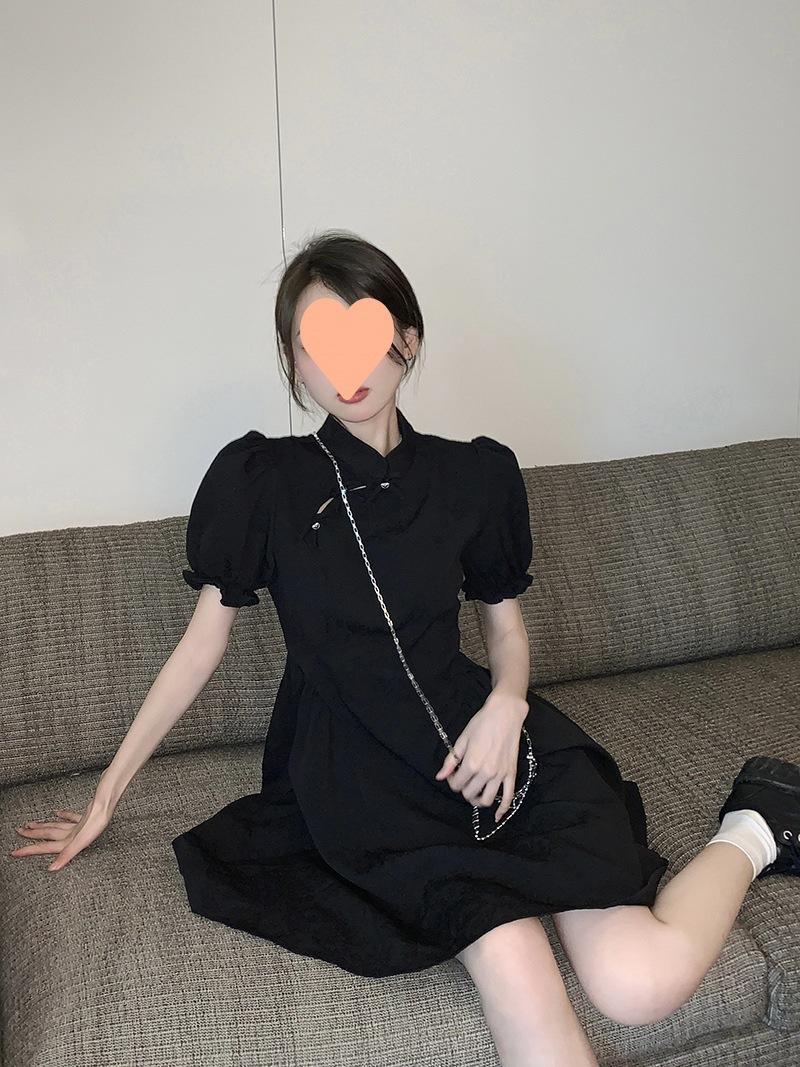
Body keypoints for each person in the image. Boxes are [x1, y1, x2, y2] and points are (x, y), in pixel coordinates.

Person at [13, 231, 800, 1067]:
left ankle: (756, 824)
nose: (344, 364)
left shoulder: (474, 478)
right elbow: (198, 650)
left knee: (638, 984)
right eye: (315, 342)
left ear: (409, 341)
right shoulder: (264, 483)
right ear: (294, 362)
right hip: (365, 782)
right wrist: (106, 794)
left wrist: (506, 705)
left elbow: (504, 628)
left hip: (489, 745)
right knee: (515, 965)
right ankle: (751, 826)